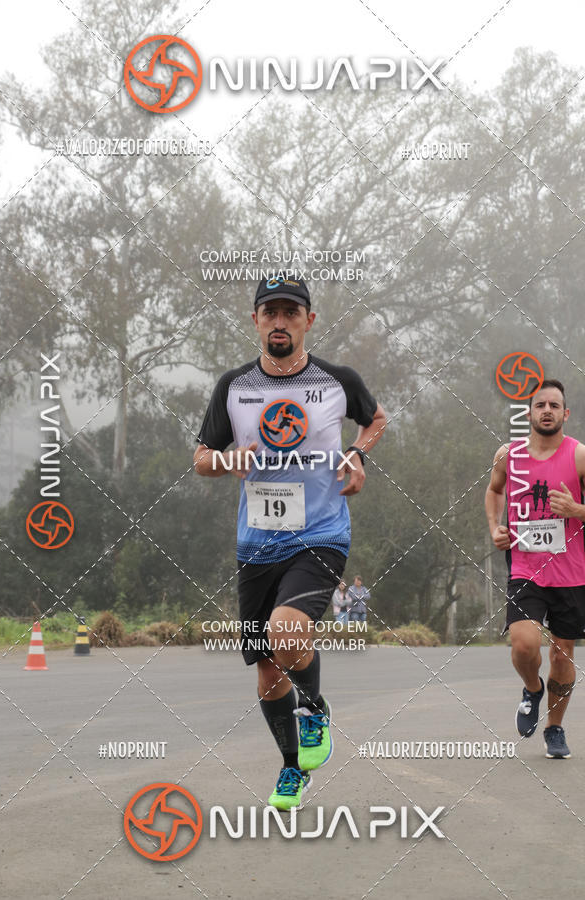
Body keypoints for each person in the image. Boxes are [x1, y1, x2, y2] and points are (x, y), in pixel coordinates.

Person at [194, 273, 387, 808]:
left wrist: (358, 453)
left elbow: (375, 419)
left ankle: (317, 708)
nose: (280, 321)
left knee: (286, 632)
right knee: (266, 673)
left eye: (291, 312)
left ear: (309, 320)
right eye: (270, 312)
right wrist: (228, 458)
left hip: (321, 534)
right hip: (257, 543)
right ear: (255, 320)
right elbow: (201, 458)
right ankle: (292, 768)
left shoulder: (336, 380)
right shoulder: (234, 388)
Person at [485, 379, 585, 759]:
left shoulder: (579, 456)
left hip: (572, 573)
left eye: (554, 405)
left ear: (565, 414)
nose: (547, 410)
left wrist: (577, 511)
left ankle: (555, 728)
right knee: (524, 644)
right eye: (540, 404)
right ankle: (531, 688)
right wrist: (495, 526)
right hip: (525, 568)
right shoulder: (509, 455)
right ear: (528, 413)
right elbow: (494, 491)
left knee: (562, 656)